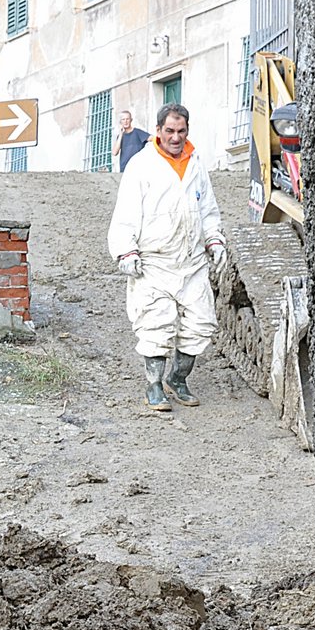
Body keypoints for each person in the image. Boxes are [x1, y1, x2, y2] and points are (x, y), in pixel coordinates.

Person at [106, 102, 226, 412]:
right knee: (155, 325)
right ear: (158, 131)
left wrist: (214, 240)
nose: (175, 137)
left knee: (201, 323)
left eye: (181, 131)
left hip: (192, 260)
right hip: (154, 262)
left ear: (187, 131)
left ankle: (178, 378)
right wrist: (126, 250)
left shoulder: (195, 162)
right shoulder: (141, 165)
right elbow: (125, 215)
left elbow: (207, 209)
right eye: (169, 131)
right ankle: (154, 385)